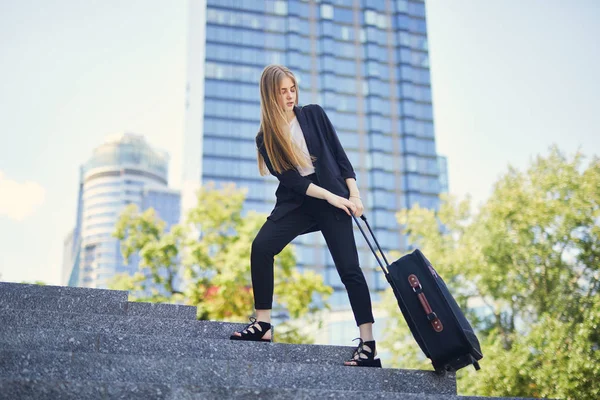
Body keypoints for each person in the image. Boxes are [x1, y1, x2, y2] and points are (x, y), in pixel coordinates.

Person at [229, 64, 381, 368]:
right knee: (261, 247)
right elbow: (295, 182)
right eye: (282, 91)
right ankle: (263, 324)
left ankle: (368, 345)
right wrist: (331, 196)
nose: (289, 96)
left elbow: (340, 156)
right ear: (270, 95)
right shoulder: (266, 139)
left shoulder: (313, 114)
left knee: (349, 269)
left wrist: (353, 195)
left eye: (292, 89)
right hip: (299, 201)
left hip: (334, 197)